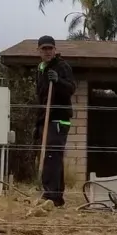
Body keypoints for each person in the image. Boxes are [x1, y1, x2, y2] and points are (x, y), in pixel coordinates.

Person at [35, 34, 75, 206]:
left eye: (50, 48)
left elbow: (71, 88)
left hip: (59, 118)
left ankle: (50, 194)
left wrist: (58, 81)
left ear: (55, 50)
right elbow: (41, 97)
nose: (47, 51)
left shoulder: (61, 66)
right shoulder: (41, 68)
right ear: (39, 51)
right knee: (51, 156)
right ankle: (56, 196)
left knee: (52, 155)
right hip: (46, 118)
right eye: (44, 49)